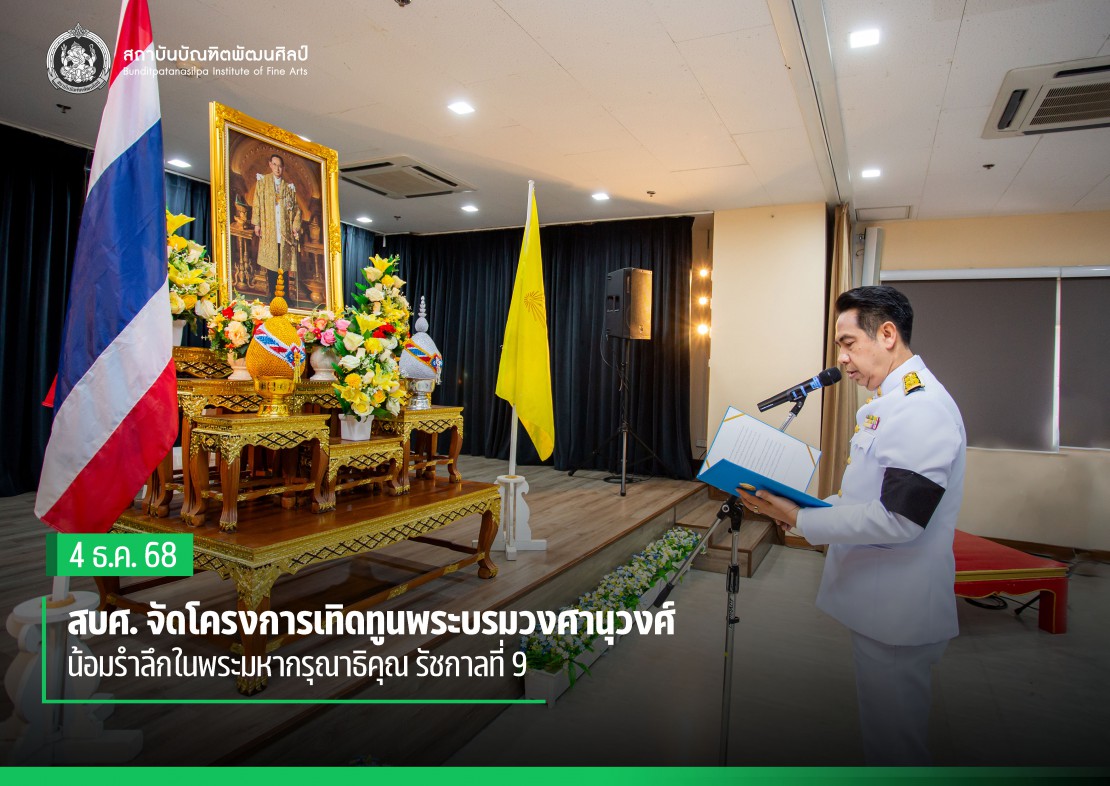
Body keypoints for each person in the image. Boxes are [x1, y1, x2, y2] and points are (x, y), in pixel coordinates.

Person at [738, 285, 965, 765]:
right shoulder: (892, 402)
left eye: (847, 343)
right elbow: (863, 499)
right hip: (882, 605)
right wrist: (797, 510)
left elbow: (900, 520)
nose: (841, 359)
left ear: (887, 334)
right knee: (885, 739)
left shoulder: (921, 408)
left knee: (895, 747)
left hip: (898, 611)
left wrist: (800, 517)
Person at [252, 153, 301, 299]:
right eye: (274, 165)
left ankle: (284, 298)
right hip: (269, 230)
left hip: (284, 233)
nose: (277, 168)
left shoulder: (288, 188)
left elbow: (296, 210)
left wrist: (295, 227)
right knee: (272, 265)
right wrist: (257, 223)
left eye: (280, 166)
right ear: (270, 164)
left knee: (283, 265)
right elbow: (257, 202)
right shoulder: (263, 182)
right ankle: (273, 296)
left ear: (283, 168)